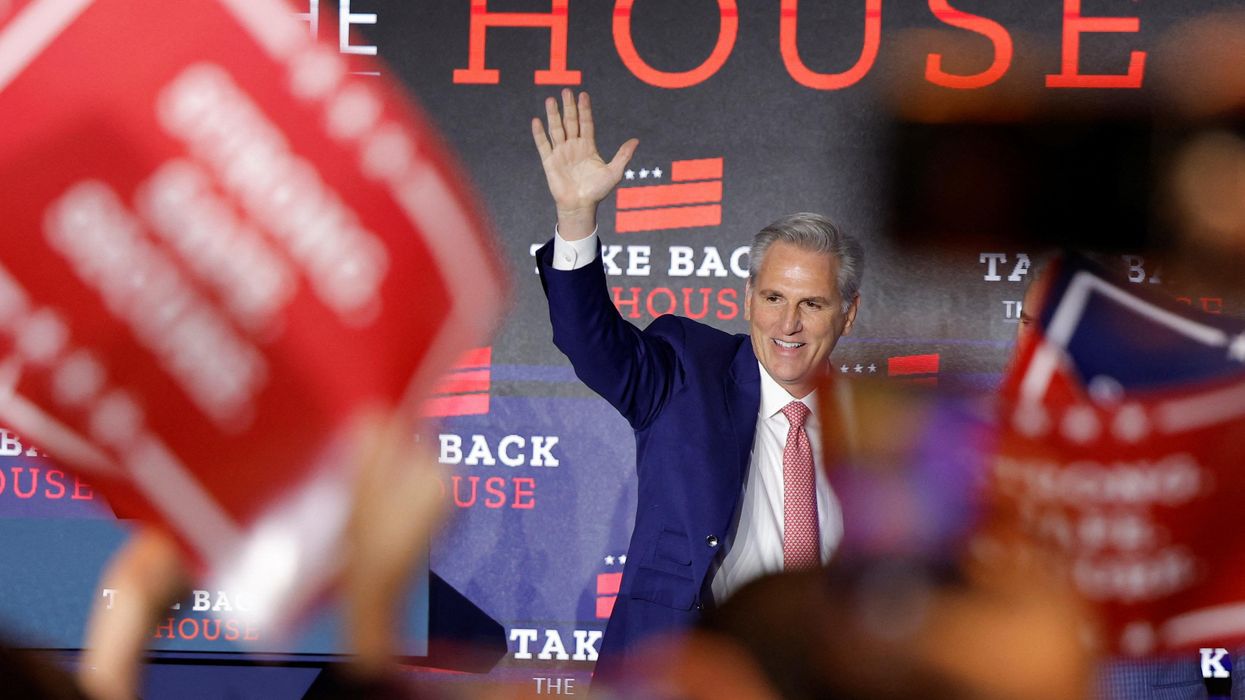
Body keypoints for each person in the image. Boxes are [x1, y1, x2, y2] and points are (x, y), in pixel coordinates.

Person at [531, 89, 864, 679]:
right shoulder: (687, 370)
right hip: (685, 674)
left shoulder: (882, 428)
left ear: (848, 314)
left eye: (812, 304)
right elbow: (590, 342)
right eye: (773, 299)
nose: (788, 324)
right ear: (748, 299)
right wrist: (577, 217)